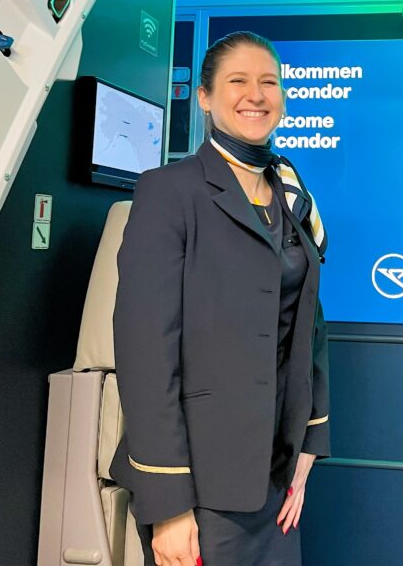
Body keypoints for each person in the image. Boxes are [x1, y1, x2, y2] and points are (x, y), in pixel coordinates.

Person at [110, 31, 331, 566]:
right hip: (201, 481)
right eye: (238, 81)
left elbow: (308, 326)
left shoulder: (291, 192)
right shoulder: (169, 191)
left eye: (269, 82)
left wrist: (310, 442)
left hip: (276, 474)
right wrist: (167, 504)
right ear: (205, 96)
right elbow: (145, 352)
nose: (256, 95)